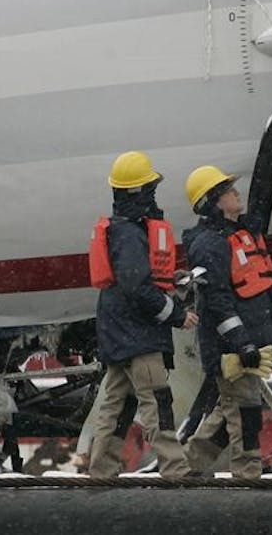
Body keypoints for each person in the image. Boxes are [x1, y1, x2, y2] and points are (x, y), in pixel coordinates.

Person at [87, 151, 198, 478]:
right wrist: (177, 314)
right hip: (138, 334)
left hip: (118, 330)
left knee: (116, 405)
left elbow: (131, 282)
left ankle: (102, 470)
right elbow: (137, 287)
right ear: (140, 192)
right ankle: (175, 469)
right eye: (150, 188)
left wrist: (169, 279)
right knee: (156, 401)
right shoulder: (131, 233)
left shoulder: (121, 230)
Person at [181, 165, 272, 479]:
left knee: (230, 413)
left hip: (246, 345)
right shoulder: (209, 245)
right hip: (232, 349)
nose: (236, 193)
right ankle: (247, 474)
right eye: (228, 190)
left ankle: (190, 467)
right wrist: (242, 343)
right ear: (214, 201)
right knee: (245, 413)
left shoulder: (239, 235)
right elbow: (216, 302)